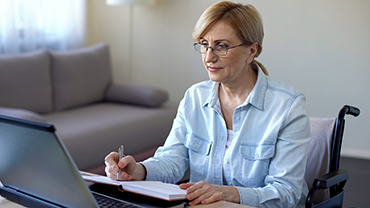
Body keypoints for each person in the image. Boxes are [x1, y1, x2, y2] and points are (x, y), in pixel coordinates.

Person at [105, 1, 311, 207]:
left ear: (251, 51)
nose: (209, 57)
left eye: (221, 46)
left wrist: (227, 194)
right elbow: (172, 160)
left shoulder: (288, 106)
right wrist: (139, 170)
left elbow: (286, 193)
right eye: (204, 44)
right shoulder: (194, 97)